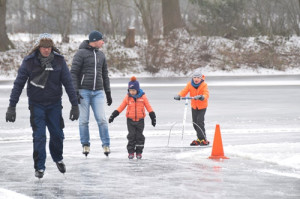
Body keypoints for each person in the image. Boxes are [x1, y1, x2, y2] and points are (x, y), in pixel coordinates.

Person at [5, 33, 79, 179]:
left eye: (49, 47)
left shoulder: (59, 61)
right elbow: (18, 84)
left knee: (57, 134)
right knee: (39, 136)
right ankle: (39, 167)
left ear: (52, 47)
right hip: (36, 104)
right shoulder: (29, 62)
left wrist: (74, 104)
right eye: (43, 47)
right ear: (38, 47)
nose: (46, 50)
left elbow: (68, 83)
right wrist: (11, 106)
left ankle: (57, 158)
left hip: (54, 105)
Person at [70, 30, 112, 157]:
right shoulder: (80, 54)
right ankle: (85, 144)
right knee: (83, 120)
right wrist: (75, 92)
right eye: (101, 40)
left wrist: (108, 92)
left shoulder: (101, 55)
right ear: (94, 40)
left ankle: (106, 144)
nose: (103, 42)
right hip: (84, 92)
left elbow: (105, 75)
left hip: (98, 92)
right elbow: (73, 73)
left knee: (102, 119)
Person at [108, 76, 156, 159]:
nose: (132, 92)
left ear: (137, 89)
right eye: (130, 90)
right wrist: (113, 115)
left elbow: (148, 107)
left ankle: (139, 152)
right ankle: (131, 152)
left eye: (133, 90)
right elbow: (121, 107)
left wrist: (153, 117)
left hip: (140, 120)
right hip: (130, 121)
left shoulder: (143, 97)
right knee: (131, 136)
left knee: (139, 136)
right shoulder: (128, 97)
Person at [174, 68, 210, 146]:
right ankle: (199, 138)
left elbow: (206, 94)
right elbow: (185, 91)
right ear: (192, 78)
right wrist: (179, 95)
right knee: (195, 123)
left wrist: (202, 97)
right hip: (194, 106)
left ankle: (203, 138)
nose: (196, 79)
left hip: (202, 106)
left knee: (200, 122)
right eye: (194, 77)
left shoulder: (204, 85)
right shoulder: (189, 84)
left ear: (201, 78)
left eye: (198, 78)